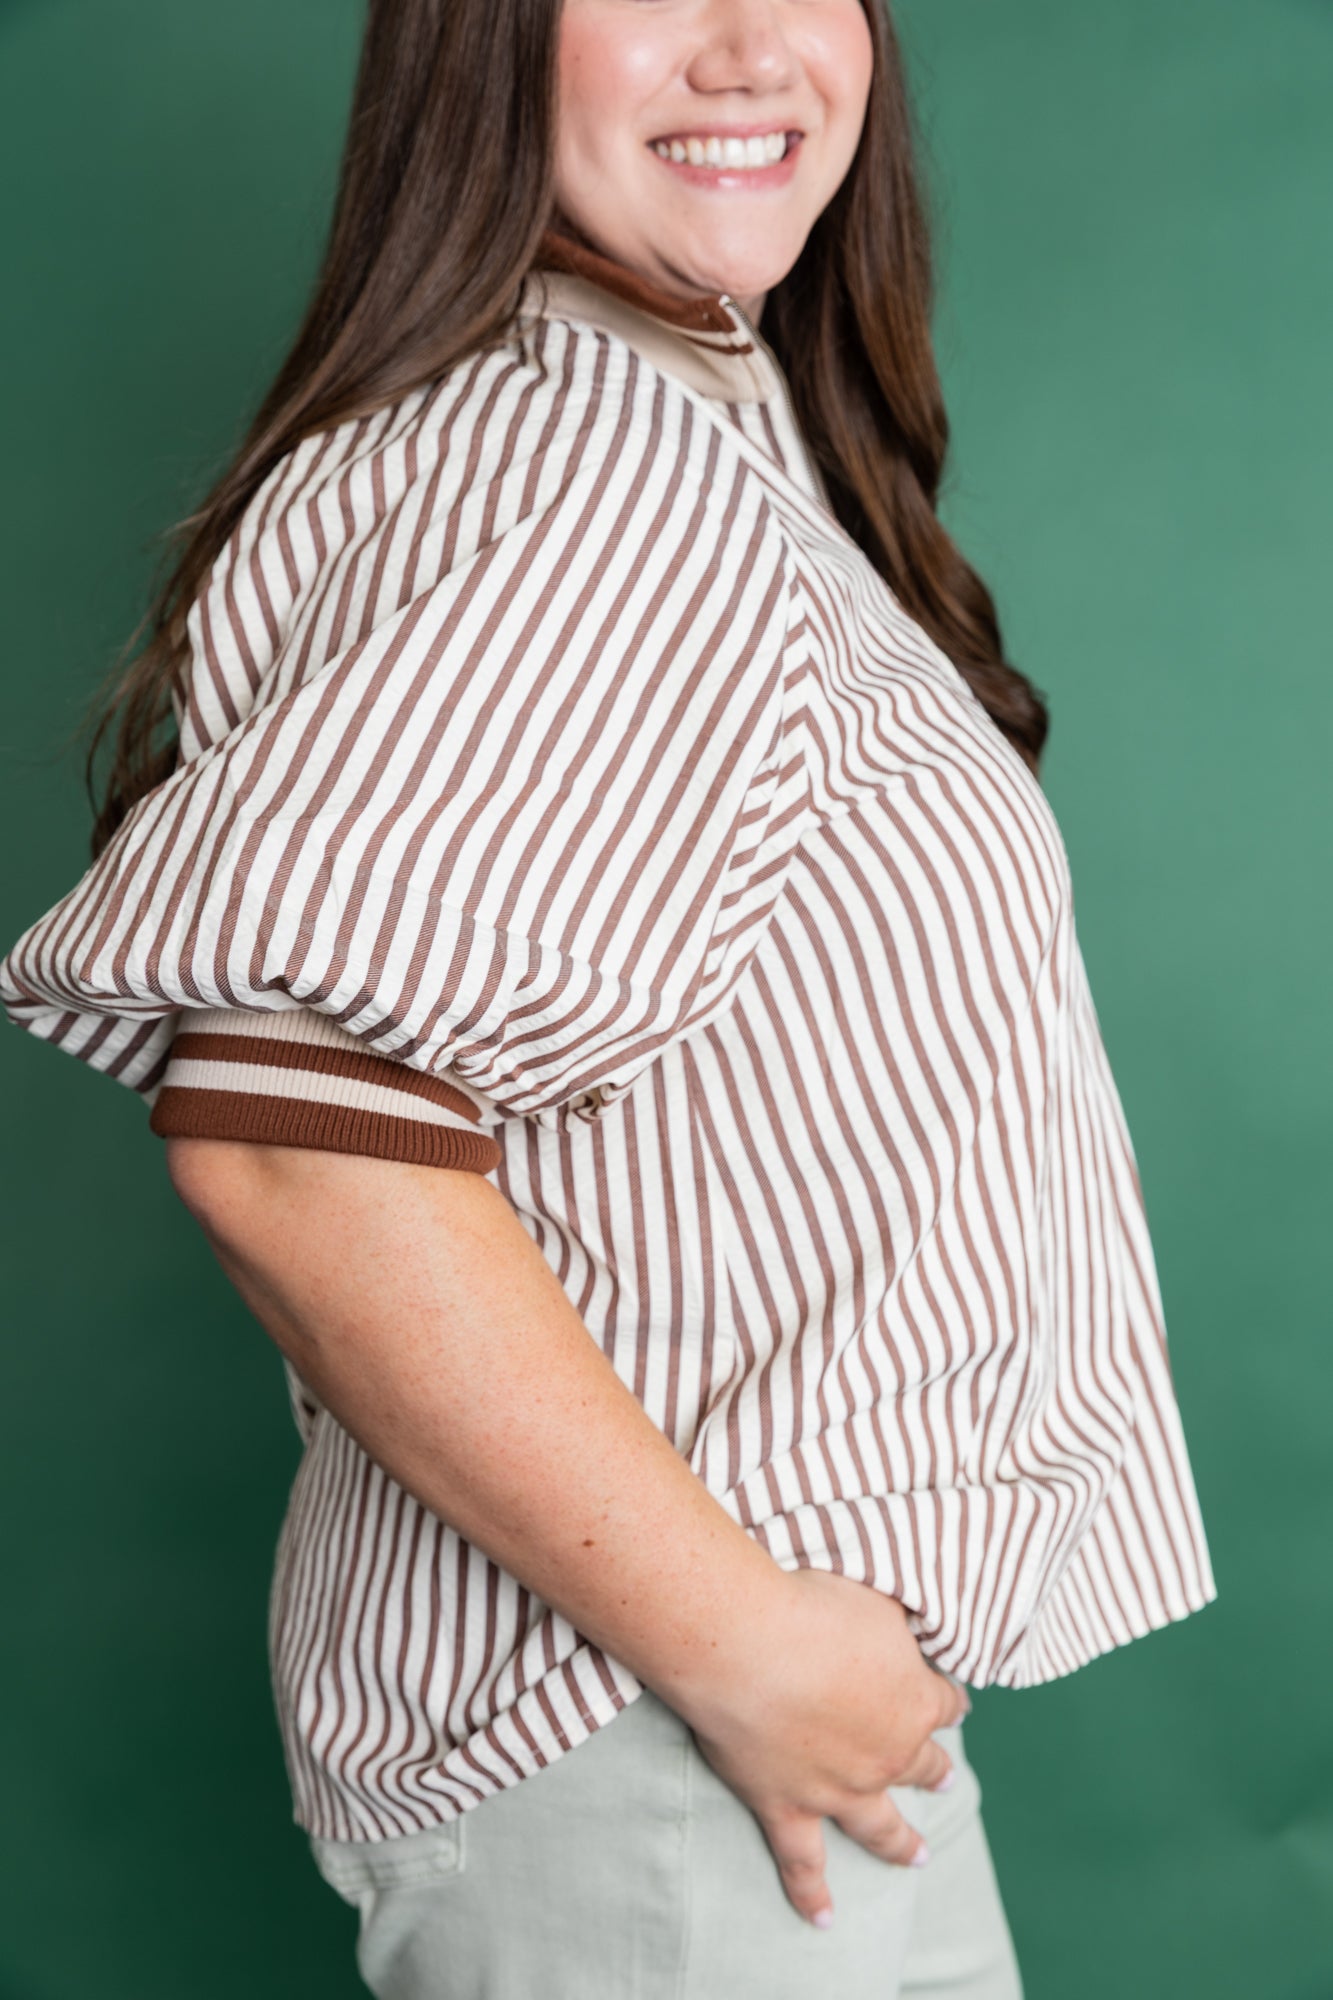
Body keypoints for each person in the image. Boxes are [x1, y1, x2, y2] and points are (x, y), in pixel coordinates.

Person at [0, 0, 1217, 1993]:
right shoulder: (575, 463)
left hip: (756, 1738)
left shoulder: (697, 424)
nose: (747, 49)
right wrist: (737, 1642)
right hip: (655, 1735)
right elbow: (300, 1147)